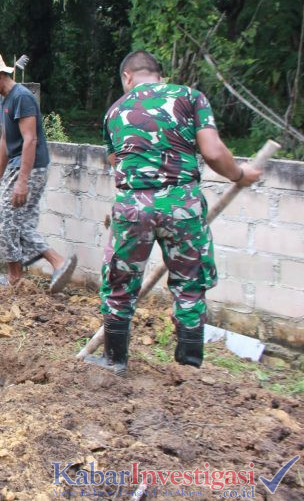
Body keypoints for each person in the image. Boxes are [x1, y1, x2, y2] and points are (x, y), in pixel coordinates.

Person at [86, 50, 263, 376]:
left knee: (120, 286)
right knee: (190, 285)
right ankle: (189, 369)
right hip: (181, 205)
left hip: (132, 208)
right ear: (159, 75)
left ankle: (114, 363)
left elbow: (116, 164)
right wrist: (240, 174)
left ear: (127, 77)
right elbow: (211, 151)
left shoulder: (113, 112)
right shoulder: (190, 98)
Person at [0, 53, 76, 290]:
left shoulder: (22, 97)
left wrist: (22, 182)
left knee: (5, 222)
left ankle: (45, 265)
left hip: (31, 166)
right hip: (15, 166)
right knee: (18, 223)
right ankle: (25, 273)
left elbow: (30, 140)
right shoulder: (2, 98)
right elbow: (6, 139)